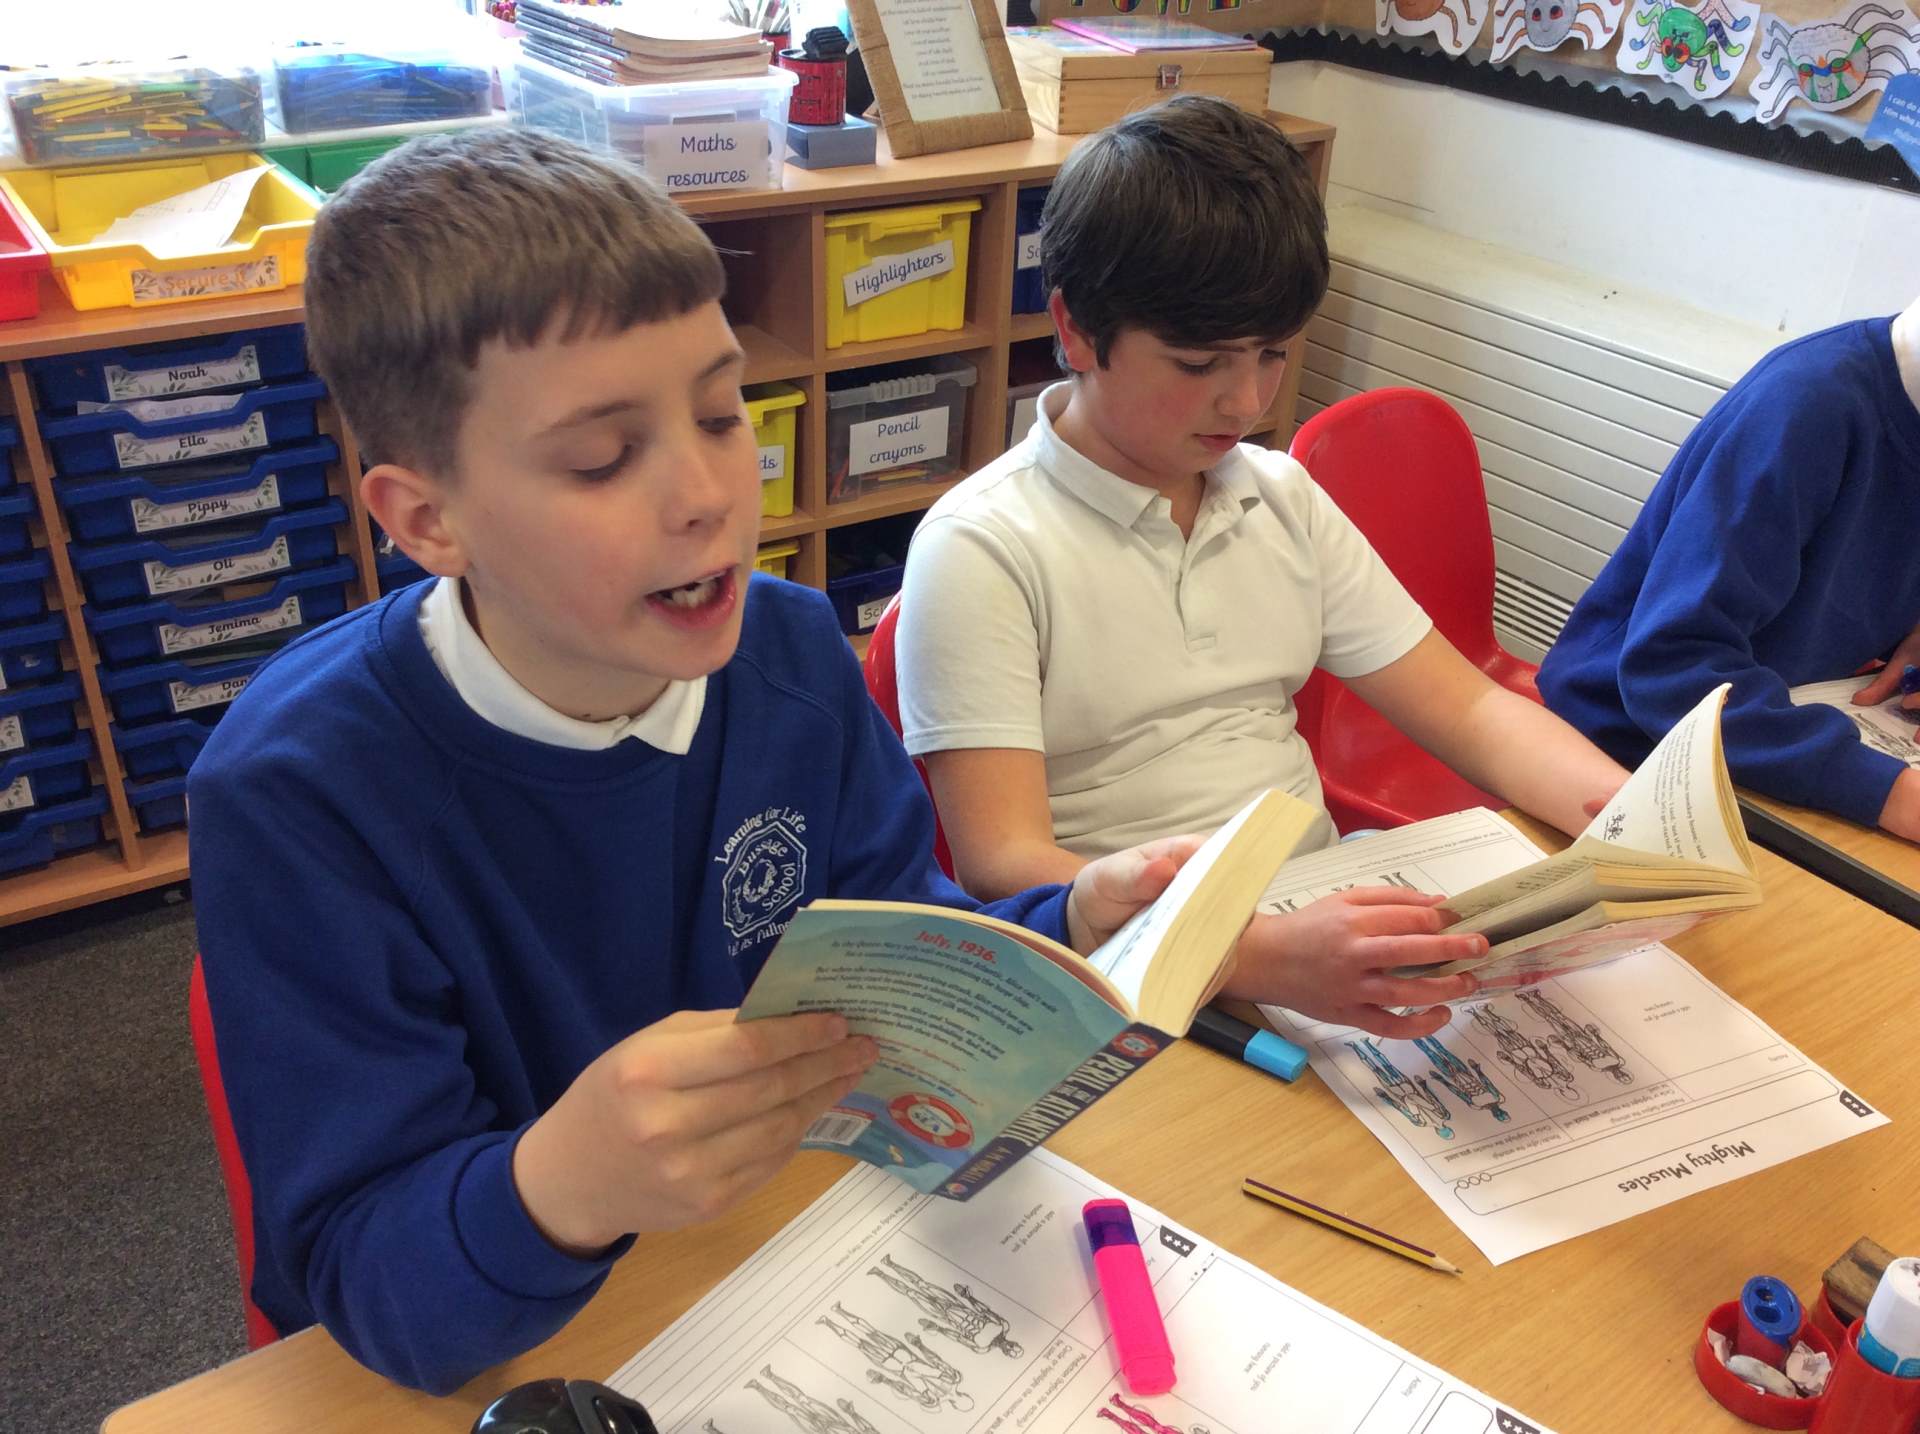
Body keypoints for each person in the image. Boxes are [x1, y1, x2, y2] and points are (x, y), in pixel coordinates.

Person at [188, 129, 1206, 1394]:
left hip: (783, 1270)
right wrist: (561, 1184)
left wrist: (1068, 922)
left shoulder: (788, 652)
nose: (710, 492)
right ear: (428, 519)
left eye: (723, 415)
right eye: (603, 458)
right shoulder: (297, 793)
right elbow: (367, 1285)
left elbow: (903, 958)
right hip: (519, 1348)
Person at [894, 97, 1626, 1037]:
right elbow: (1002, 862)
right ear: (1074, 330)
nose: (1245, 400)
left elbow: (1471, 711)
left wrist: (1629, 821)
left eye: (1272, 353)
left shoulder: (1280, 498)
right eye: (1199, 363)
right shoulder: (983, 546)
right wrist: (1256, 951)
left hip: (1314, 919)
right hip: (1131, 969)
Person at [1538, 297, 1920, 840]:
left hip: (1786, 730)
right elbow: (1671, 663)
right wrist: (1888, 792)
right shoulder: (1808, 404)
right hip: (1630, 742)